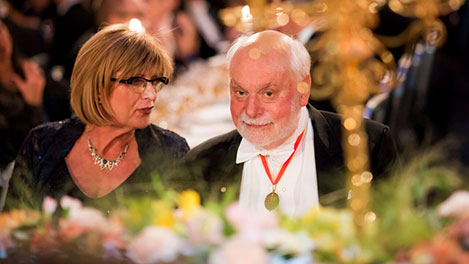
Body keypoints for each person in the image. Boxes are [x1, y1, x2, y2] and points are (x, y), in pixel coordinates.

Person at [185, 30, 398, 216]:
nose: (251, 110)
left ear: (303, 90)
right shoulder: (201, 164)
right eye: (240, 92)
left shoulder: (365, 145)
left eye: (268, 93)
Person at [5, 23, 189, 211]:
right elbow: (13, 231)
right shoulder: (42, 144)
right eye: (136, 81)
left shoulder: (171, 152)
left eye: (156, 82)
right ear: (98, 86)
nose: (151, 94)